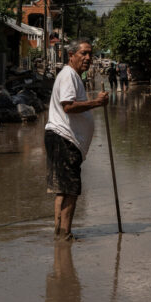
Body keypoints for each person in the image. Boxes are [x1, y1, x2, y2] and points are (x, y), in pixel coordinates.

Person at [45, 40, 108, 241]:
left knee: (63, 189)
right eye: (84, 53)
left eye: (91, 54)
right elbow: (68, 106)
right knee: (70, 189)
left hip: (63, 139)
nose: (88, 58)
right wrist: (97, 103)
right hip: (64, 139)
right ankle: (65, 234)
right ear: (71, 55)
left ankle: (60, 233)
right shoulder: (68, 76)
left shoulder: (72, 76)